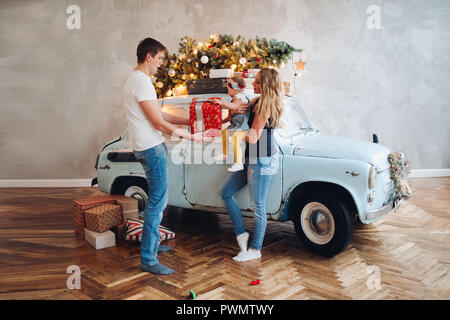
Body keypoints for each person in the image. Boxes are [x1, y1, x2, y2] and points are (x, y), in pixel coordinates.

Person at [123, 37, 205, 275]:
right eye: (159, 58)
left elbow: (160, 114)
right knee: (157, 203)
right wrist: (191, 136)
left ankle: (154, 244)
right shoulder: (142, 82)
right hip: (151, 148)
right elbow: (158, 122)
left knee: (159, 199)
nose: (160, 63)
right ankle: (148, 259)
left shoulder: (135, 80)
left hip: (147, 146)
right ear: (149, 56)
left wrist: (189, 121)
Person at [220, 68, 284, 262]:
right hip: (251, 158)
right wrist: (231, 110)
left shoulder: (265, 105)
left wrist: (233, 136)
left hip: (261, 159)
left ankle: (255, 250)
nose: (253, 84)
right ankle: (241, 233)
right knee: (226, 193)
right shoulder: (256, 101)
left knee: (258, 207)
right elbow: (239, 111)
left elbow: (254, 136)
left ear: (265, 84)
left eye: (256, 81)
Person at [210, 75, 250, 172]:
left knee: (235, 139)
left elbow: (234, 106)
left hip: (242, 126)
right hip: (236, 125)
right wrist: (223, 121)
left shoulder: (240, 97)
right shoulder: (236, 97)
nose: (228, 93)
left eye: (229, 90)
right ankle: (225, 154)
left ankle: (239, 163)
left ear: (235, 88)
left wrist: (221, 102)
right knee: (224, 133)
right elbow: (232, 115)